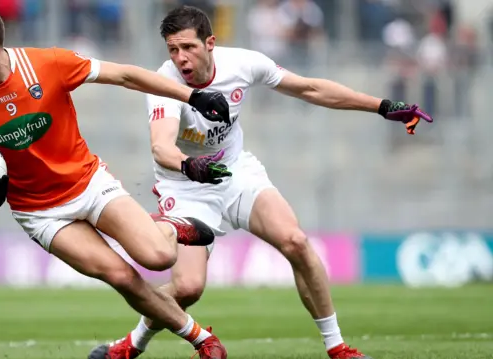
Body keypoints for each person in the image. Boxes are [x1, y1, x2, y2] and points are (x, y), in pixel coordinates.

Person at [89, 5, 433, 359]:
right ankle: (133, 344)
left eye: (188, 47)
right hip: (186, 186)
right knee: (189, 288)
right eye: (173, 50)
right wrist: (193, 166)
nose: (181, 58)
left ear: (210, 43)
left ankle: (337, 347)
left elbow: (311, 88)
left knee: (296, 241)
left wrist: (382, 105)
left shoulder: (243, 63)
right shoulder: (164, 81)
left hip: (235, 171)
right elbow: (162, 147)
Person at [0, 3, 232, 358]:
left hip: (89, 183)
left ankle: (170, 227)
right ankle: (203, 340)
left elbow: (124, 75)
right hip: (41, 212)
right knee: (122, 277)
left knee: (159, 257)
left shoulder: (46, 64)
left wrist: (193, 95)